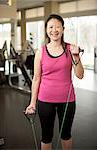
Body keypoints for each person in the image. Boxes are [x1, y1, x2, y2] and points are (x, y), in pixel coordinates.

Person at [25, 14, 84, 150]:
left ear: (63, 29)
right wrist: (32, 103)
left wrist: (76, 57)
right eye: (51, 27)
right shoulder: (41, 52)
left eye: (58, 27)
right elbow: (36, 79)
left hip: (67, 100)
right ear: (46, 30)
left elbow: (80, 75)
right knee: (46, 136)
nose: (54, 30)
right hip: (45, 100)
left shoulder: (71, 49)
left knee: (66, 135)